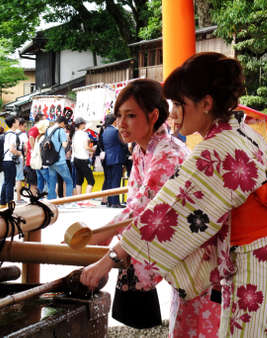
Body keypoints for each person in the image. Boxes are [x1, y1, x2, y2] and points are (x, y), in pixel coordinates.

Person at [80, 53, 267, 337]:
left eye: (179, 104)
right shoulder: (241, 133)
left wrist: (109, 259)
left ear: (206, 103)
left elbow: (165, 214)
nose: (172, 112)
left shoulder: (216, 149)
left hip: (255, 268)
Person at [86, 79, 190, 329]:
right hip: (178, 256)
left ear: (154, 115)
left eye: (130, 115)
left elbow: (145, 210)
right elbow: (134, 202)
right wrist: (101, 234)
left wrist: (104, 238)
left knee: (195, 324)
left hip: (195, 253)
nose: (121, 124)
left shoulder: (169, 152)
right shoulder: (142, 150)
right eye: (119, 115)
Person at [46, 115, 73, 199]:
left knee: (52, 181)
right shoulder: (61, 130)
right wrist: (67, 140)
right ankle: (69, 201)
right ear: (61, 123)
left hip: (50, 160)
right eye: (64, 125)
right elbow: (65, 145)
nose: (64, 127)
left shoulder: (48, 129)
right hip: (60, 160)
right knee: (69, 181)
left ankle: (52, 200)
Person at [102, 114, 126, 208]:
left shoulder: (105, 131)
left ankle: (110, 201)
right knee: (116, 180)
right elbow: (123, 143)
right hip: (116, 158)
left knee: (110, 180)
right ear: (114, 121)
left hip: (108, 158)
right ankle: (115, 202)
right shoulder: (116, 131)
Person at [0, 116, 22, 207]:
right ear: (13, 123)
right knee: (10, 182)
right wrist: (19, 153)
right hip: (10, 160)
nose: (18, 122)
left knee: (6, 181)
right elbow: (12, 149)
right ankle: (10, 202)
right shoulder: (12, 135)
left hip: (5, 160)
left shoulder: (7, 133)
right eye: (17, 121)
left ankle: (3, 202)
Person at [71, 117, 95, 194]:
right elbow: (86, 147)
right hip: (83, 159)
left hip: (76, 158)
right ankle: (86, 199)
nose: (85, 124)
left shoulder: (75, 134)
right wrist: (93, 150)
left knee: (79, 180)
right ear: (81, 124)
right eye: (84, 123)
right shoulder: (84, 134)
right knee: (91, 181)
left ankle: (79, 199)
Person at [24, 113, 45, 196]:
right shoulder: (35, 128)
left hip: (34, 160)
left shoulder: (38, 129)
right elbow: (31, 138)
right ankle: (33, 199)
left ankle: (35, 197)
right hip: (32, 161)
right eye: (44, 119)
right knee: (33, 183)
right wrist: (34, 150)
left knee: (37, 181)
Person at [15, 118, 28, 203]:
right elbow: (26, 147)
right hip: (19, 158)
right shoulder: (23, 135)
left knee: (14, 178)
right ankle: (18, 198)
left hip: (11, 158)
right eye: (24, 126)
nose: (25, 128)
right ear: (20, 125)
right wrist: (26, 156)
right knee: (19, 178)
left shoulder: (12, 132)